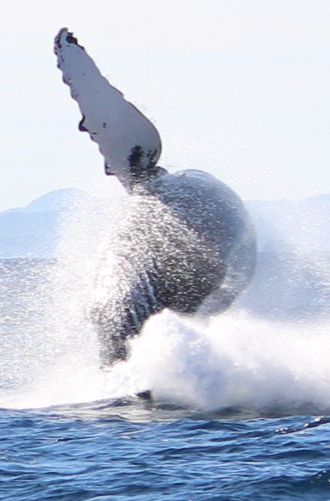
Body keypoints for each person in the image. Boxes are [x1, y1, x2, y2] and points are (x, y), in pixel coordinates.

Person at [54, 28, 258, 366]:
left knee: (124, 327)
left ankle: (125, 368)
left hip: (199, 269)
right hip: (212, 266)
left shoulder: (152, 193)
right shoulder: (166, 191)